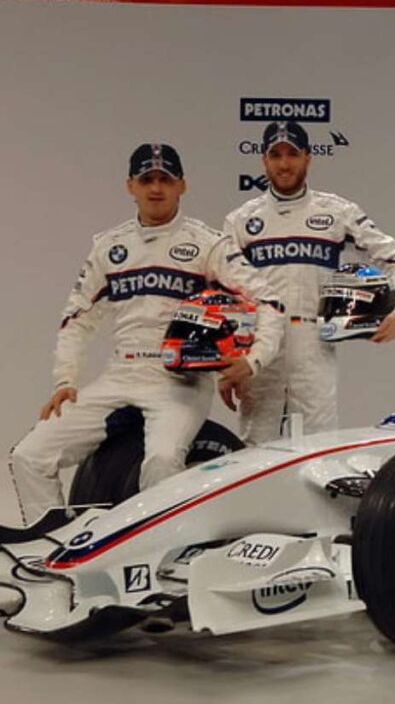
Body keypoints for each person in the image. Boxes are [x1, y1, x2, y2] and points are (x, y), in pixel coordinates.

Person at [8, 144, 284, 525]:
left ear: (181, 186)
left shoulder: (208, 243)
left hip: (178, 382)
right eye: (147, 179)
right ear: (130, 186)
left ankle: (160, 567)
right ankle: (61, 552)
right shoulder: (110, 246)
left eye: (165, 180)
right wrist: (66, 379)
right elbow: (78, 318)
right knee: (29, 455)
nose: (156, 188)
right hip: (120, 374)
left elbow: (269, 302)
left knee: (162, 462)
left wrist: (253, 361)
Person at [224, 121, 395, 444]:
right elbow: (226, 292)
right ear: (264, 160)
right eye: (276, 154)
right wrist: (227, 362)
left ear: (308, 158)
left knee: (319, 447)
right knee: (253, 451)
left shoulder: (337, 212)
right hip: (260, 345)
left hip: (314, 343)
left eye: (293, 154)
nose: (284, 163)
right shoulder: (241, 220)